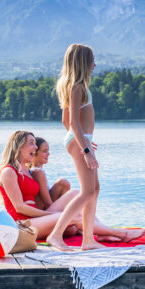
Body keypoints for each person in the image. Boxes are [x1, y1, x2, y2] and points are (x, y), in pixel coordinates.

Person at [0, 130, 141, 243]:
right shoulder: (9, 172)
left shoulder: (28, 172)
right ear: (18, 145)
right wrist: (53, 215)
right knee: (73, 217)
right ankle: (122, 233)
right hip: (22, 225)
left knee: (75, 193)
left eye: (35, 143)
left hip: (36, 219)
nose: (35, 147)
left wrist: (84, 148)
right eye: (31, 143)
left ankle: (101, 232)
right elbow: (19, 208)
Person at [46, 44, 108, 251]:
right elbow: (73, 122)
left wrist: (84, 141)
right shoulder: (77, 87)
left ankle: (88, 240)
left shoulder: (73, 86)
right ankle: (55, 235)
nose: (94, 65)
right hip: (80, 142)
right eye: (91, 61)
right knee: (86, 192)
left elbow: (66, 121)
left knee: (94, 190)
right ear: (82, 63)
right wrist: (85, 149)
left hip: (80, 140)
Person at [27, 136, 71, 210]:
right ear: (34, 153)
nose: (48, 154)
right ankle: (65, 213)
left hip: (46, 207)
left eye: (48, 151)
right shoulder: (37, 173)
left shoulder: (36, 171)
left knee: (63, 183)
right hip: (43, 210)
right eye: (44, 151)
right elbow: (47, 203)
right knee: (63, 182)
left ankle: (66, 211)